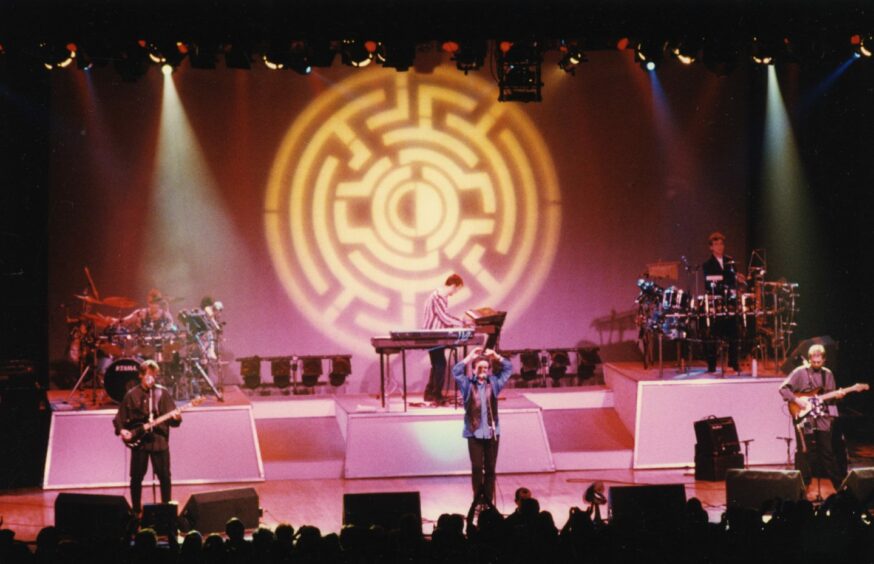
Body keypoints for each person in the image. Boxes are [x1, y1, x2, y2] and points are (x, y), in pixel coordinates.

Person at [113, 359, 182, 515]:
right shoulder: (132, 395)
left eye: (154, 375)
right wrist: (122, 430)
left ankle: (167, 509)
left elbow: (173, 421)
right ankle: (136, 511)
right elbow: (119, 419)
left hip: (159, 442)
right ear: (141, 376)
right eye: (149, 375)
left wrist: (176, 418)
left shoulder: (162, 393)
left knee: (165, 476)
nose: (152, 378)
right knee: (136, 477)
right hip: (140, 444)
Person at [778, 344, 846, 490]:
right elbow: (783, 389)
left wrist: (838, 396)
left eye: (819, 362)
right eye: (813, 362)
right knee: (805, 451)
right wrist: (797, 400)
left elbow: (830, 399)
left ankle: (840, 487)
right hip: (805, 418)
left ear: (824, 360)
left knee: (827, 451)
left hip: (822, 418)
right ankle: (803, 487)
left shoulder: (827, 374)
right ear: (809, 359)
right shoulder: (799, 372)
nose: (816, 364)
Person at [453, 347, 513, 508]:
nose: (483, 370)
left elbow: (508, 368)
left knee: (491, 469)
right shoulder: (467, 385)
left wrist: (496, 356)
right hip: (474, 433)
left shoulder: (494, 383)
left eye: (486, 368)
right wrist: (469, 358)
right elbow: (456, 371)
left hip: (492, 432)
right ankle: (478, 500)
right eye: (480, 367)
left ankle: (487, 502)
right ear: (473, 370)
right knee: (477, 467)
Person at [701, 232, 745, 372]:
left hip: (730, 301)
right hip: (717, 302)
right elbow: (708, 284)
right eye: (716, 244)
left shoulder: (730, 261)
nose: (720, 246)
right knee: (713, 333)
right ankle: (712, 365)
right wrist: (724, 283)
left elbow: (734, 280)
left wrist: (739, 279)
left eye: (721, 244)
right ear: (711, 247)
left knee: (734, 332)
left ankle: (733, 362)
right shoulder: (707, 264)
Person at [422, 273, 467, 403]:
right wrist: (462, 323)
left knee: (437, 364)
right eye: (458, 289)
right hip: (434, 335)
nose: (457, 292)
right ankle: (435, 394)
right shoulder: (439, 296)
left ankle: (430, 393)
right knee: (440, 364)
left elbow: (443, 317)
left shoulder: (439, 295)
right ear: (454, 285)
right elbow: (445, 317)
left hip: (434, 334)